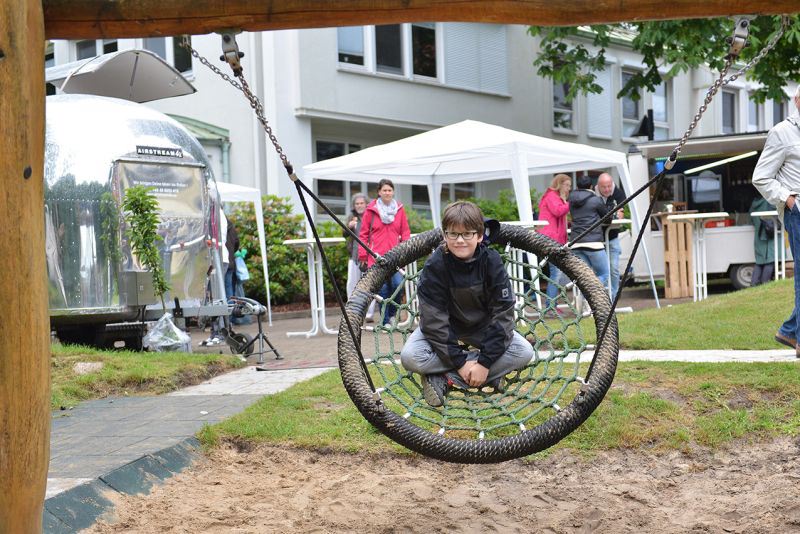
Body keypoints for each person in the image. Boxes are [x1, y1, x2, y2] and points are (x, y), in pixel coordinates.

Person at [400, 201, 534, 407]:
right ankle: (485, 373)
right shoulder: (435, 265)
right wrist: (460, 363)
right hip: (446, 329)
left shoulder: (492, 261)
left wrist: (485, 362)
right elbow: (433, 320)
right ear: (445, 236)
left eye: (467, 234)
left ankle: (445, 377)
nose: (460, 240)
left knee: (524, 351)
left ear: (479, 236)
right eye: (453, 234)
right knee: (410, 357)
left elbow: (503, 314)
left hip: (483, 328)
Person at [752, 85, 800, 355]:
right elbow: (761, 177)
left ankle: (790, 330)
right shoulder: (782, 132)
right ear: (796, 100)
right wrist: (788, 199)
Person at [358, 179, 411, 325]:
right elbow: (363, 235)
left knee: (397, 285)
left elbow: (405, 232)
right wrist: (363, 255)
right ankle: (385, 320)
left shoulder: (399, 209)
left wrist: (406, 252)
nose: (387, 193)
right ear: (379, 192)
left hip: (396, 256)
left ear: (393, 192)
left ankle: (393, 314)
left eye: (389, 190)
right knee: (382, 290)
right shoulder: (371, 210)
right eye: (384, 190)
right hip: (376, 257)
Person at [568, 174, 610, 289]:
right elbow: (608, 219)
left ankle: (585, 303)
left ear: (577, 186)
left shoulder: (571, 200)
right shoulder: (596, 200)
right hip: (593, 243)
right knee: (604, 274)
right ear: (591, 186)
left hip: (576, 243)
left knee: (584, 278)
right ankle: (593, 291)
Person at [538, 174, 572, 311]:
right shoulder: (552, 196)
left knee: (555, 273)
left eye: (569, 186)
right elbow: (558, 211)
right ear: (560, 184)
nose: (569, 188)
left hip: (553, 239)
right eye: (567, 185)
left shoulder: (554, 197)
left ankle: (552, 305)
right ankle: (550, 306)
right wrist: (569, 203)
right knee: (555, 274)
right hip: (550, 239)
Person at [343, 194, 377, 321]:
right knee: (351, 284)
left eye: (361, 203)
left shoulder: (372, 216)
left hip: (369, 256)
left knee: (369, 285)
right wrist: (349, 227)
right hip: (354, 256)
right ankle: (352, 312)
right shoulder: (352, 217)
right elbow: (344, 234)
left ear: (366, 204)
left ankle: (368, 314)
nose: (359, 206)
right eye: (357, 204)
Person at [595, 172, 626, 300]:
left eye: (609, 186)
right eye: (604, 187)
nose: (607, 189)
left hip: (612, 237)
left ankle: (613, 298)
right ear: (598, 186)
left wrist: (619, 214)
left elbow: (621, 212)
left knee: (614, 269)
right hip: (597, 239)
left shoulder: (618, 193)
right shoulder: (593, 195)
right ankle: (598, 298)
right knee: (600, 271)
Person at [749, 195, 776, 287]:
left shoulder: (754, 202)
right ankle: (765, 283)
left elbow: (751, 220)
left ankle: (754, 283)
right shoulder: (769, 201)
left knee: (759, 261)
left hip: (758, 235)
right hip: (769, 235)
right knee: (770, 260)